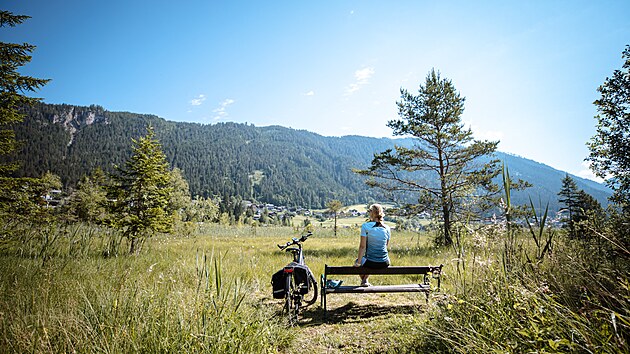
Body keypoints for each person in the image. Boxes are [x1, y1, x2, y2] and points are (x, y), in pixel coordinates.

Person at [354, 203, 390, 287]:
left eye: (369, 211)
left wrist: (358, 263)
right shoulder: (387, 228)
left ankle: (364, 280)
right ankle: (365, 280)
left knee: (358, 261)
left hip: (370, 262)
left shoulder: (365, 226)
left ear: (372, 213)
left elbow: (362, 247)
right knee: (371, 258)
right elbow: (385, 246)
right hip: (385, 262)